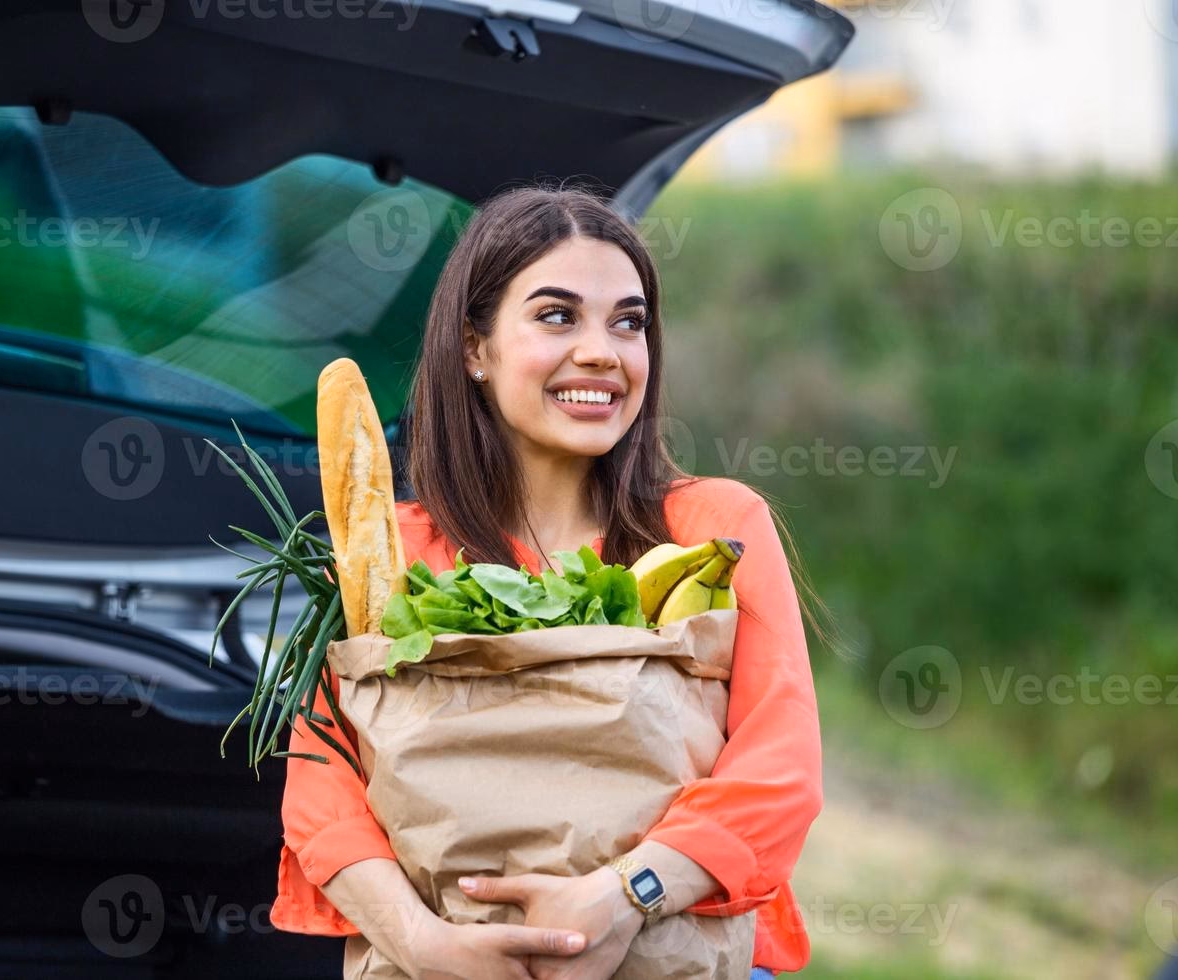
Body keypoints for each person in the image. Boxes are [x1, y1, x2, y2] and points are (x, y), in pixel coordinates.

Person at [270, 181, 831, 979]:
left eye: (628, 322)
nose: (603, 350)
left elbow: (779, 769)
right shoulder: (388, 555)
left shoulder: (713, 529)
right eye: (557, 315)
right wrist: (429, 946)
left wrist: (625, 894)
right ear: (475, 348)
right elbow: (323, 794)